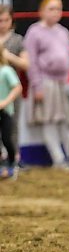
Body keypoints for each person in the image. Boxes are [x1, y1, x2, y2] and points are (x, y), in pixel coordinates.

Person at [24, 0, 69, 168]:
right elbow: (32, 61)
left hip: (62, 83)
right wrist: (37, 85)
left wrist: (68, 81)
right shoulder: (34, 32)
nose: (55, 13)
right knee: (49, 120)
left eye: (58, 9)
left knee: (65, 120)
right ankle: (58, 158)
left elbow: (68, 56)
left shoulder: (63, 31)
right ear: (42, 11)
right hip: (45, 82)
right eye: (51, 9)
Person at [0, 5, 29, 161]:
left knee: (11, 126)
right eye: (0, 20)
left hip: (11, 89)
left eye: (6, 20)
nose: (3, 24)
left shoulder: (18, 40)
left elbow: (26, 64)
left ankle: (14, 158)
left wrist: (7, 56)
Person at [0, 43, 22, 179]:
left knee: (7, 138)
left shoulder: (6, 71)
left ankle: (12, 162)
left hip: (5, 111)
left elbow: (17, 87)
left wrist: (5, 102)